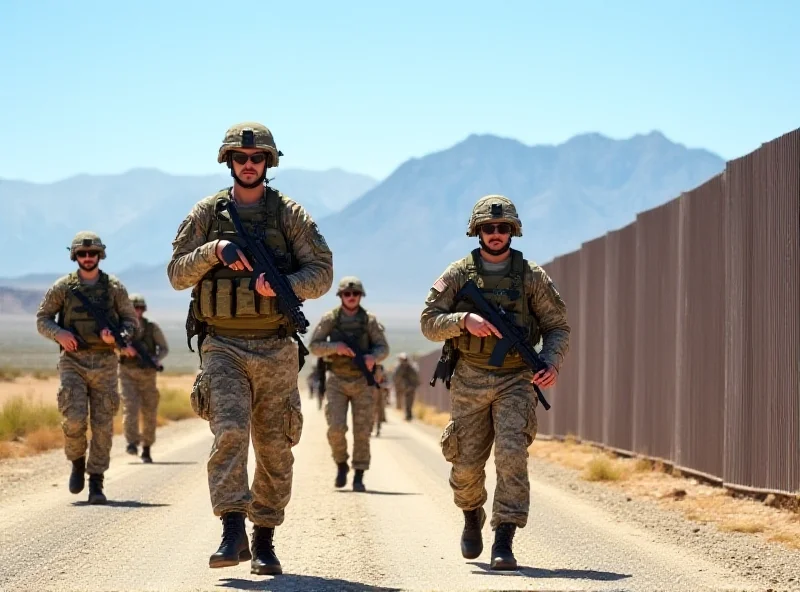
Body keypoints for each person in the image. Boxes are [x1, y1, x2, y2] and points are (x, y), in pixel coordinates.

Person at [167, 122, 333, 576]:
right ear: (229, 162)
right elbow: (177, 274)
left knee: (276, 446)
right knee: (230, 432)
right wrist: (213, 251)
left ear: (268, 163)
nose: (248, 165)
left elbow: (322, 272)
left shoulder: (289, 215)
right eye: (240, 159)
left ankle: (264, 539)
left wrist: (284, 287)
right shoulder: (207, 213)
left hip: (276, 347)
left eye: (256, 158)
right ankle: (232, 527)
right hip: (221, 345)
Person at [420, 195, 570, 570]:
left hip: (516, 379)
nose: (496, 234)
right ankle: (472, 513)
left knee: (511, 455)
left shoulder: (531, 276)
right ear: (477, 231)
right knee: (466, 464)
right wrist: (462, 321)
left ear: (513, 231)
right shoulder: (458, 274)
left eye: (503, 228)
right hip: (469, 377)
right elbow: (427, 321)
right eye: (489, 228)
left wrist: (550, 363)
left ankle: (504, 537)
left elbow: (557, 328)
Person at [35, 231, 138, 505]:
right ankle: (77, 461)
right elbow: (42, 318)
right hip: (73, 362)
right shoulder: (63, 288)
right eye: (82, 253)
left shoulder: (114, 288)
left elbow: (131, 322)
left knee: (103, 425)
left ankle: (96, 481)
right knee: (74, 418)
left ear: (100, 255)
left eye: (92, 253)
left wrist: (117, 338)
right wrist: (59, 334)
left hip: (105, 363)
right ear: (75, 256)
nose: (88, 258)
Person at [308, 276, 389, 492]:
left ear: (360, 296)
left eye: (355, 294)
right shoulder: (330, 319)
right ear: (341, 296)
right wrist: (336, 347)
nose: (351, 297)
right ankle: (341, 463)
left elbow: (383, 348)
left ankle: (359, 474)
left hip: (363, 381)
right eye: (347, 294)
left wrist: (373, 358)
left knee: (362, 431)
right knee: (336, 428)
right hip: (336, 380)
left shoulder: (369, 321)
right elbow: (314, 346)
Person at [120, 293, 169, 463]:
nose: (137, 311)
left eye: (140, 308)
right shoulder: (122, 328)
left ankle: (147, 447)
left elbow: (164, 348)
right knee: (130, 408)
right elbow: (113, 346)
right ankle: (132, 442)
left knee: (149, 411)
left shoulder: (151, 328)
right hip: (127, 372)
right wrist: (125, 350)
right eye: (134, 308)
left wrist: (155, 359)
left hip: (148, 374)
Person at [392, 352, 420, 421]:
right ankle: (407, 415)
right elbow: (396, 378)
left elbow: (416, 378)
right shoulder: (400, 368)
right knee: (405, 402)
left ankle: (408, 415)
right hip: (404, 388)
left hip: (409, 388)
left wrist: (412, 386)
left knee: (409, 402)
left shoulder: (411, 368)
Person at [372, 364, 389, 437]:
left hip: (380, 398)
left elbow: (387, 385)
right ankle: (370, 428)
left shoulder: (384, 375)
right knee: (371, 413)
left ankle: (378, 429)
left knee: (379, 414)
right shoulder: (370, 374)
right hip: (372, 398)